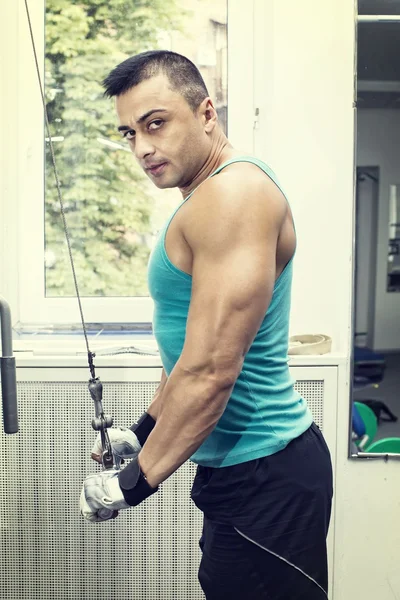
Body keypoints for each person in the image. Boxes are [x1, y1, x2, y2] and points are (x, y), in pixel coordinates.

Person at [80, 50, 333, 599]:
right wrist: (142, 431)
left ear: (206, 113)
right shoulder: (205, 195)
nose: (143, 148)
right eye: (129, 134)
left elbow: (214, 368)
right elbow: (189, 353)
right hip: (244, 471)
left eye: (156, 123)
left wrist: (134, 481)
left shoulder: (233, 195)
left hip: (266, 470)